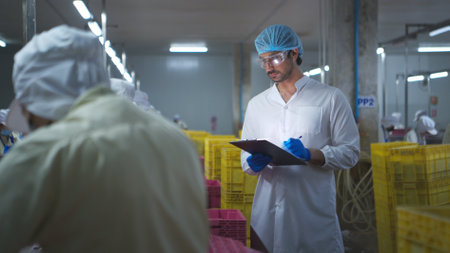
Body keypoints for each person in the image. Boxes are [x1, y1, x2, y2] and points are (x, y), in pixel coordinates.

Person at [0, 25, 209, 253]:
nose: (30, 128)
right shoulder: (175, 139)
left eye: (28, 115)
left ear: (38, 97)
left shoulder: (48, 150)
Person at [240, 24, 360, 253]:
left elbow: (351, 153)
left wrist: (312, 154)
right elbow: (246, 159)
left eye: (274, 58)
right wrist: (251, 163)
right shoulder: (257, 104)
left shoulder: (330, 98)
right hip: (268, 212)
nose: (268, 66)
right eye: (263, 60)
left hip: (311, 213)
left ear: (294, 53)